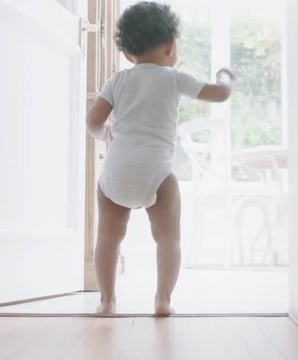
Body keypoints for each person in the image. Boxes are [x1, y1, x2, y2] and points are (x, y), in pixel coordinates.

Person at [86, 1, 235, 315]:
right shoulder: (174, 78)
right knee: (168, 238)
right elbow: (219, 94)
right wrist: (225, 78)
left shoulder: (117, 81)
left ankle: (107, 300)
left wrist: (106, 134)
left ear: (127, 54)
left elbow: (93, 122)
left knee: (108, 238)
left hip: (117, 171)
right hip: (157, 172)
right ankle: (163, 299)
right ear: (171, 45)